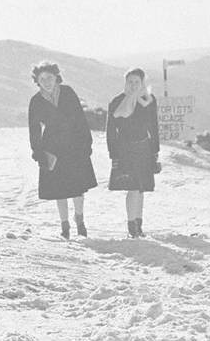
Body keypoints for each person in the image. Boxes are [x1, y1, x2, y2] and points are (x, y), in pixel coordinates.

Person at [27, 60, 97, 238]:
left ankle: (79, 219)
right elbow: (34, 130)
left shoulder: (68, 92)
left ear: (56, 77)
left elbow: (81, 119)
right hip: (52, 148)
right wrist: (38, 152)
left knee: (78, 187)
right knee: (60, 189)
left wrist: (86, 143)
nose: (46, 82)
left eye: (49, 77)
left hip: (74, 144)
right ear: (37, 81)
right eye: (42, 79)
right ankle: (64, 225)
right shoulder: (35, 101)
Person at [106, 68, 160, 238]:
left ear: (142, 83)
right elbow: (110, 131)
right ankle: (132, 227)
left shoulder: (149, 100)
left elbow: (153, 126)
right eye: (130, 82)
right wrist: (113, 154)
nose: (133, 85)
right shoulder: (116, 102)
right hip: (125, 150)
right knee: (133, 188)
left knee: (141, 188)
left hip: (144, 148)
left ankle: (138, 224)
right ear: (125, 82)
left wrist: (155, 151)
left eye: (137, 82)